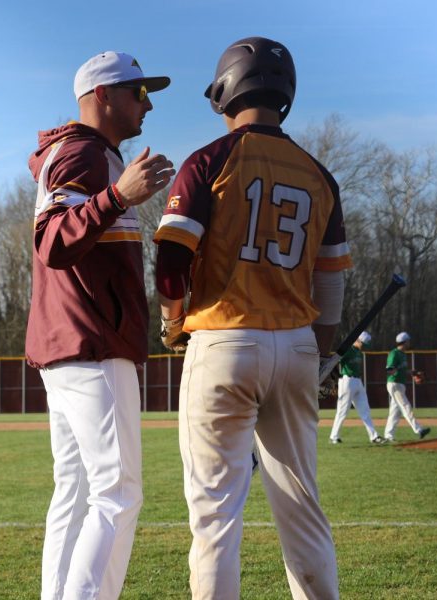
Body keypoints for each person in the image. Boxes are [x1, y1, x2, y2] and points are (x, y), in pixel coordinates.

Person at [154, 37, 351, 600]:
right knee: (301, 505)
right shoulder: (318, 173)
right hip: (295, 345)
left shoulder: (209, 160)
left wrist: (172, 321)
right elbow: (330, 280)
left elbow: (171, 258)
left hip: (222, 339)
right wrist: (321, 348)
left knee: (215, 514)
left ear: (225, 89)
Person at [24, 51, 174, 600]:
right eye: (138, 92)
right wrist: (118, 196)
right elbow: (52, 242)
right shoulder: (84, 154)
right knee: (117, 494)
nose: (148, 103)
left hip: (71, 343)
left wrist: (116, 194)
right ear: (103, 96)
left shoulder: (86, 154)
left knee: (77, 490)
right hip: (92, 342)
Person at [329, 331, 386, 445]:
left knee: (365, 410)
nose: (364, 347)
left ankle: (374, 436)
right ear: (358, 340)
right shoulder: (348, 350)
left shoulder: (359, 352)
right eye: (363, 344)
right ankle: (334, 436)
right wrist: (337, 378)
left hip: (358, 382)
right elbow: (333, 363)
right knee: (342, 411)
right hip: (347, 381)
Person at [383, 332, 430, 442]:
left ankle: (388, 436)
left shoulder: (403, 354)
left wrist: (412, 373)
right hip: (394, 384)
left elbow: (402, 370)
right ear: (404, 342)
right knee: (406, 406)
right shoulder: (394, 353)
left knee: (395, 412)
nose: (409, 343)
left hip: (400, 384)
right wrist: (395, 370)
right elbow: (389, 370)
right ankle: (419, 430)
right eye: (408, 341)